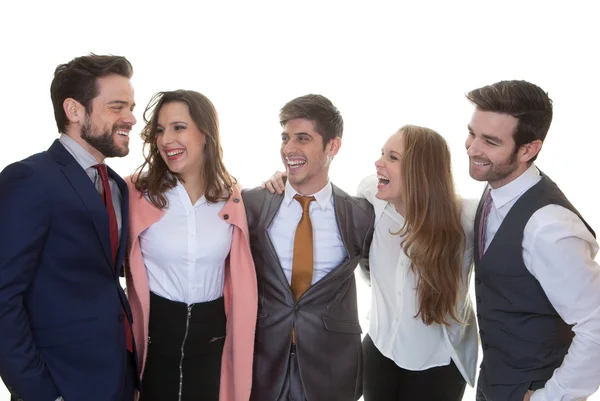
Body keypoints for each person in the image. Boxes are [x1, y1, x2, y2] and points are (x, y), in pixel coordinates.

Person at [0, 54, 138, 401]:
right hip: (62, 384)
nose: (131, 118)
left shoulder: (118, 186)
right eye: (116, 107)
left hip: (118, 379)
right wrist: (40, 393)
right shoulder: (29, 178)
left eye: (131, 107)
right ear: (75, 111)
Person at [467, 80, 600, 401]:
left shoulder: (549, 227)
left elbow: (596, 324)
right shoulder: (498, 184)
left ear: (529, 149)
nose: (472, 148)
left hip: (530, 388)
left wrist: (548, 398)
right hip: (494, 380)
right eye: (471, 133)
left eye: (490, 141)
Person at [126, 90, 257, 401]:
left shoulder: (234, 197)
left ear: (205, 133)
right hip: (154, 343)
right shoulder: (135, 191)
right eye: (160, 130)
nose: (166, 139)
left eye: (178, 127)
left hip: (211, 347)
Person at [242, 94, 374, 401]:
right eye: (286, 138)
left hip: (331, 364)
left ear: (332, 146)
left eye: (303, 138)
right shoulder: (253, 204)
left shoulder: (360, 215)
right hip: (263, 358)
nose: (289, 149)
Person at [356, 125, 478, 401]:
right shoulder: (373, 196)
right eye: (381, 154)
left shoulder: (467, 220)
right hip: (380, 349)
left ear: (421, 172)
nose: (378, 163)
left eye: (393, 158)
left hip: (437, 364)